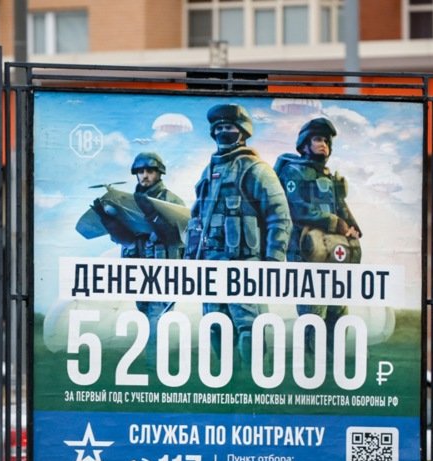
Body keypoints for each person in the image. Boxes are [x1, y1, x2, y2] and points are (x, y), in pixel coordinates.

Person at [185, 104, 292, 366]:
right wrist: (190, 260)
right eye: (218, 128)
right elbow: (197, 219)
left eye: (229, 128)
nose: (223, 132)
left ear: (242, 132)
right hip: (211, 265)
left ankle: (254, 383)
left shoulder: (256, 169)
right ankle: (227, 383)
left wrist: (273, 263)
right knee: (216, 325)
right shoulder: (208, 173)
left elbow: (280, 216)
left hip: (245, 265)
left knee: (249, 325)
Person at [274, 117, 362, 359]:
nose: (322, 144)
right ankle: (312, 366)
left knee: (338, 308)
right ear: (304, 144)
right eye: (317, 139)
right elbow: (297, 208)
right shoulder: (293, 172)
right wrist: (335, 222)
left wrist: (352, 227)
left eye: (326, 140)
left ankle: (334, 362)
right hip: (304, 250)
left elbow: (340, 205)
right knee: (313, 312)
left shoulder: (330, 177)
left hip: (332, 251)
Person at [91, 152, 185, 369]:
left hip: (164, 274)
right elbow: (125, 239)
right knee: (145, 318)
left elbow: (175, 236)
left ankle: (155, 370)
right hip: (139, 273)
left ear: (159, 173)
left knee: (156, 320)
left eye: (149, 171)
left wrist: (153, 213)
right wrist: (108, 220)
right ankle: (152, 369)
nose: (144, 176)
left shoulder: (170, 201)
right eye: (140, 171)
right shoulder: (128, 201)